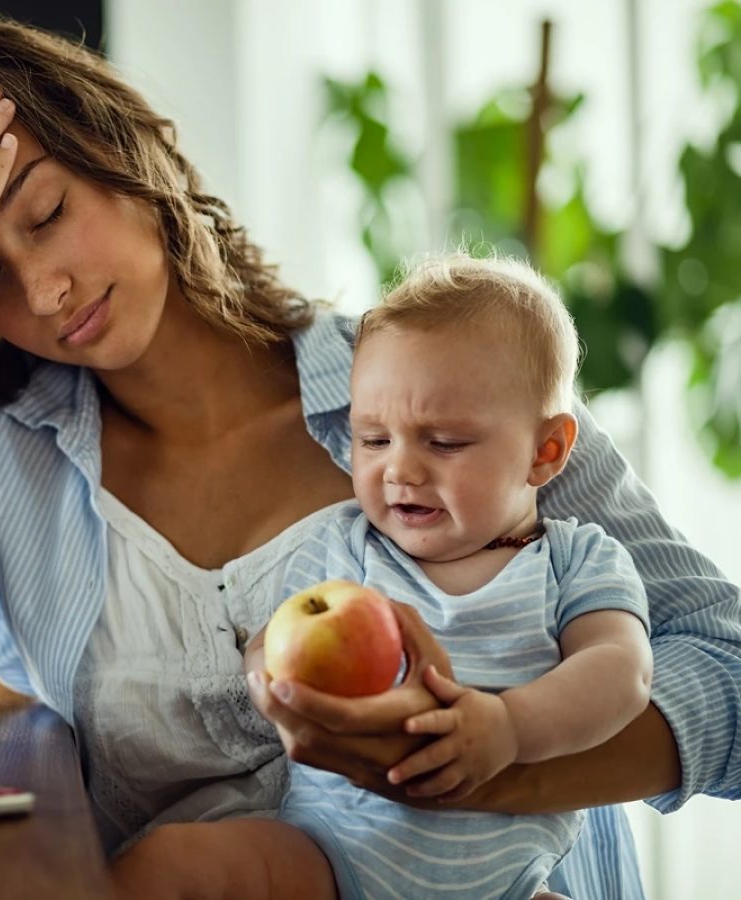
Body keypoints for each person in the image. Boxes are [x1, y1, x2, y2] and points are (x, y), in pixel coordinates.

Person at [0, 13, 740, 900]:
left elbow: (727, 670)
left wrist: (496, 755)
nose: (44, 290)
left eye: (48, 215)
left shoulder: (450, 398)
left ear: (133, 154)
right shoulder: (7, 462)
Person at [248, 254, 651, 899]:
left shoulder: (577, 560)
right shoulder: (344, 546)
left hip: (507, 882)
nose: (400, 470)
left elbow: (620, 671)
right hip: (330, 857)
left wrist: (511, 726)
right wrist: (275, 681)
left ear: (545, 451)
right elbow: (268, 642)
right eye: (373, 440)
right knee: (183, 862)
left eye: (443, 443)